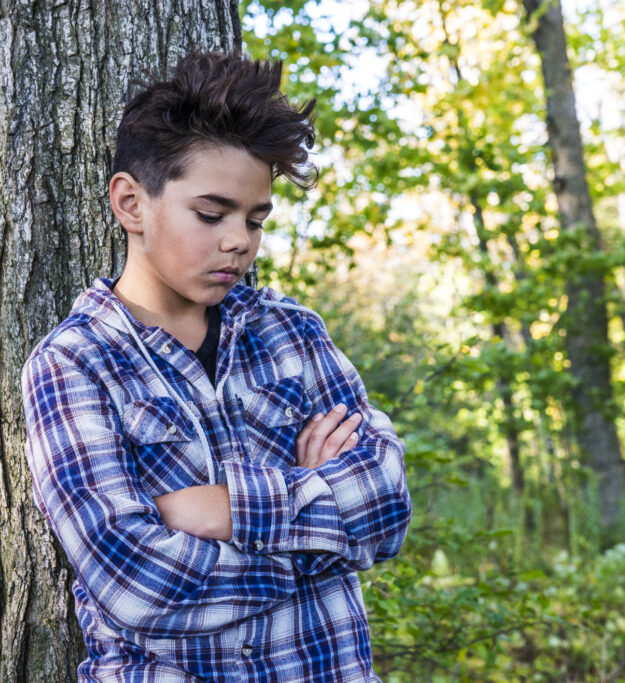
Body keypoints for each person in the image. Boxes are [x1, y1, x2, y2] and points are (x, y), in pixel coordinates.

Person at [21, 51, 411, 682]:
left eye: (255, 220)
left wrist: (227, 510)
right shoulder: (73, 365)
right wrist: (324, 538)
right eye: (212, 214)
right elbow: (138, 584)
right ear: (131, 203)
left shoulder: (293, 333)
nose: (239, 241)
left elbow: (386, 503)